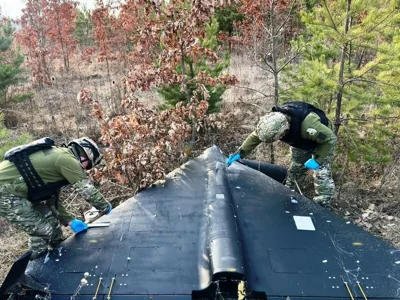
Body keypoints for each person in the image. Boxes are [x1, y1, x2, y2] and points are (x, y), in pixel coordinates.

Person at [0, 137, 112, 260]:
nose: (86, 169)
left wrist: (69, 220)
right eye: (89, 165)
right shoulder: (66, 159)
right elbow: (86, 190)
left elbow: (53, 199)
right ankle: (34, 264)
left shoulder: (59, 158)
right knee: (44, 230)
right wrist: (106, 208)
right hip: (5, 192)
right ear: (84, 155)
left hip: (19, 190)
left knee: (55, 230)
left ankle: (58, 257)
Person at [226, 101, 336, 207]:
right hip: (301, 142)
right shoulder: (272, 122)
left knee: (322, 173)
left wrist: (317, 160)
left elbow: (330, 139)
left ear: (284, 132)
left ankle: (323, 205)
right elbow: (256, 136)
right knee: (297, 167)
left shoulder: (309, 126)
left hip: (323, 143)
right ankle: (289, 194)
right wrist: (240, 152)